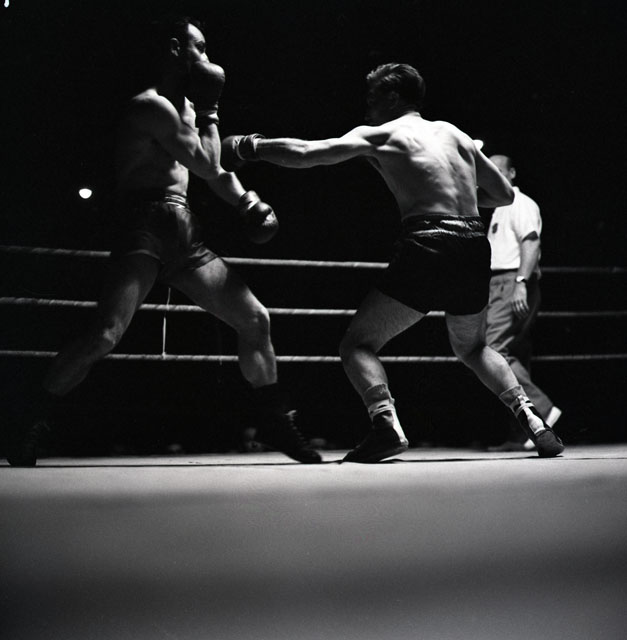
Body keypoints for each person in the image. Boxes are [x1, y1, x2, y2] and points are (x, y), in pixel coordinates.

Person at [6, 16, 321, 466]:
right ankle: (28, 420)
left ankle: (275, 419)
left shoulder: (188, 108)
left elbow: (212, 171)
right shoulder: (151, 106)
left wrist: (247, 202)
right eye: (201, 47)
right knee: (105, 334)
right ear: (176, 48)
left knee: (255, 319)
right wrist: (211, 110)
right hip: (143, 222)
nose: (208, 58)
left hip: (183, 227)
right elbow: (206, 162)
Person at [220, 62, 564, 462]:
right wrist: (462, 199)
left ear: (393, 97)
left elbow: (307, 153)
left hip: (428, 242)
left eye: (372, 97)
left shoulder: (383, 134)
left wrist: (250, 146)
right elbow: (503, 194)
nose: (367, 107)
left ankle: (386, 426)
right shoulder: (454, 133)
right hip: (473, 245)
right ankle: (533, 419)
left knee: (357, 345)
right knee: (473, 348)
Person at [485, 155, 562, 451]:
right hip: (502, 282)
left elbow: (531, 242)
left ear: (512, 173)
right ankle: (525, 433)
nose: (493, 175)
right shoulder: (499, 207)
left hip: (512, 281)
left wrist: (520, 283)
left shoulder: (520, 203)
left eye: (499, 170)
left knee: (494, 349)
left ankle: (542, 409)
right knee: (516, 353)